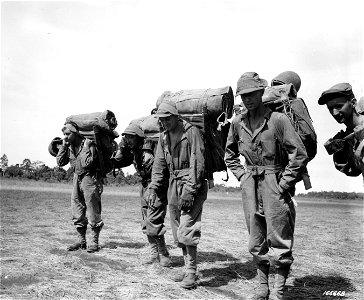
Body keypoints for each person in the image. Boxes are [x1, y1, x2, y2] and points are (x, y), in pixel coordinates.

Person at [224, 72, 308, 300]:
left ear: (262, 92)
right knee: (255, 238)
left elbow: (298, 153)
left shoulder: (278, 120)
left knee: (280, 237)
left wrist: (284, 183)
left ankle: (278, 292)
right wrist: (241, 175)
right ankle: (263, 287)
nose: (248, 99)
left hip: (274, 180)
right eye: (243, 95)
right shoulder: (237, 123)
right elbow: (229, 154)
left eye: (252, 94)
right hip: (250, 182)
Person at [147, 100, 208, 289]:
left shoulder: (192, 132)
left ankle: (191, 273)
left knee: (187, 228)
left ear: (175, 116)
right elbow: (159, 165)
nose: (163, 122)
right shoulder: (163, 137)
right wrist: (153, 187)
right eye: (160, 120)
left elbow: (198, 163)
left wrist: (189, 191)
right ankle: (187, 268)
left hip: (192, 185)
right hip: (173, 185)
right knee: (177, 230)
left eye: (166, 119)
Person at [114, 122, 171, 267]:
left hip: (156, 187)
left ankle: (164, 253)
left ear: (138, 138)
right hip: (145, 187)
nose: (128, 140)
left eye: (130, 138)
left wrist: (154, 188)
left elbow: (159, 172)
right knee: (145, 220)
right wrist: (122, 147)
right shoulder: (135, 151)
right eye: (126, 138)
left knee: (154, 220)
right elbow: (118, 160)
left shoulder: (148, 152)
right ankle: (154, 254)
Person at [56, 123, 104, 253]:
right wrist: (63, 146)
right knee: (77, 209)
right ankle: (81, 240)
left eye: (68, 134)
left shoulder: (89, 143)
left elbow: (86, 163)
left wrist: (87, 147)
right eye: (64, 134)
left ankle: (94, 242)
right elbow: (60, 162)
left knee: (93, 210)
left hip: (90, 178)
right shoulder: (69, 146)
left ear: (75, 133)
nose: (65, 137)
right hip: (76, 178)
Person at [318, 83, 364, 179]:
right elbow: (355, 171)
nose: (334, 113)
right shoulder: (350, 134)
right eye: (330, 108)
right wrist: (341, 154)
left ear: (353, 103)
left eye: (339, 106)